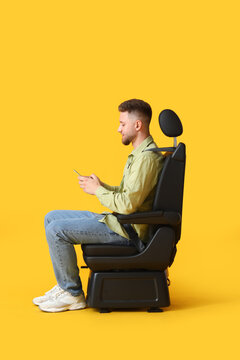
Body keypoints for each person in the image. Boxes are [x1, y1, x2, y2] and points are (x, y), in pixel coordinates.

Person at [33, 99, 164, 312]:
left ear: (137, 125)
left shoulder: (147, 159)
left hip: (128, 231)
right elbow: (128, 195)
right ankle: (64, 285)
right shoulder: (140, 154)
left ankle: (73, 294)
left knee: (57, 230)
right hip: (120, 221)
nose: (118, 128)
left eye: (122, 123)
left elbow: (128, 204)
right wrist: (104, 186)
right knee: (51, 217)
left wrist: (97, 191)